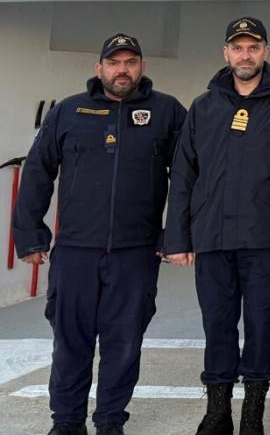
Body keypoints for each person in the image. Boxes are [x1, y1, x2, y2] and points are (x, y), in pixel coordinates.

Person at [14, 34, 187, 435]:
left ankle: (110, 420)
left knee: (123, 343)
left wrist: (176, 234)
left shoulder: (167, 112)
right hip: (75, 251)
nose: (122, 70)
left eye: (130, 62)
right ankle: (67, 420)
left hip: (136, 253)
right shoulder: (69, 111)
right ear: (99, 68)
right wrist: (30, 235)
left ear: (141, 67)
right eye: (114, 62)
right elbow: (38, 171)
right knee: (70, 341)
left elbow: (187, 177)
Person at [163, 17, 270, 435]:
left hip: (265, 237)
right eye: (238, 47)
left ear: (265, 51)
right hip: (211, 236)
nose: (245, 55)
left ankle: (252, 412)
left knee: (261, 323)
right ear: (226, 53)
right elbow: (183, 174)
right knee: (217, 323)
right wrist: (177, 236)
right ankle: (218, 411)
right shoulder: (204, 106)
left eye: (253, 47)